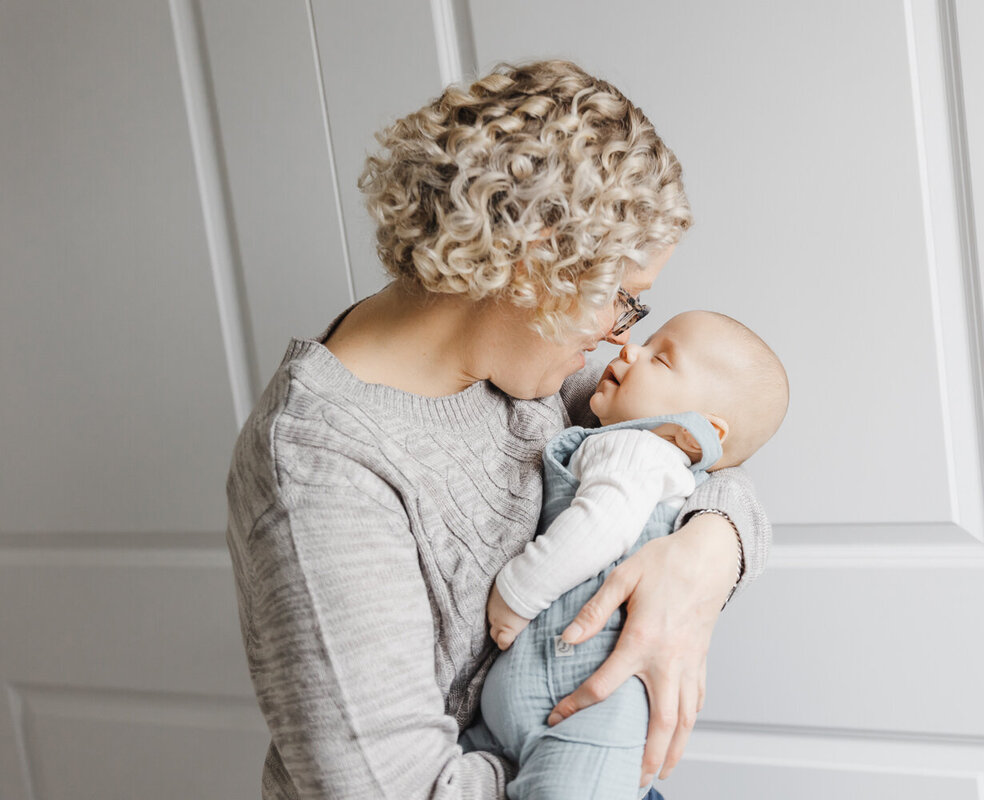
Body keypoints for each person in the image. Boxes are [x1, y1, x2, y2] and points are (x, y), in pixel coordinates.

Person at [224, 60, 771, 799]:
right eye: (620, 297)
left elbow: (707, 452)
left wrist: (703, 559)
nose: (619, 336)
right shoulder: (321, 468)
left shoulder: (525, 362)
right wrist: (582, 756)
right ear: (535, 261)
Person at [481, 311, 789, 799]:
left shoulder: (636, 449)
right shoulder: (638, 441)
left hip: (585, 696)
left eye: (660, 358)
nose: (626, 348)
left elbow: (598, 526)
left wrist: (516, 592)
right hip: (560, 695)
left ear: (694, 433)